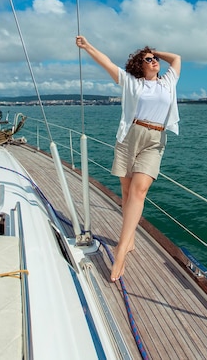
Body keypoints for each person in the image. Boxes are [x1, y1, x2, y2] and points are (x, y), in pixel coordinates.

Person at [75, 35, 181, 282]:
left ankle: (121, 250)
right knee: (126, 191)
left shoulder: (168, 82)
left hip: (155, 140)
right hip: (129, 137)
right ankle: (130, 238)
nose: (155, 61)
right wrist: (88, 46)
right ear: (139, 65)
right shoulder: (132, 83)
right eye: (149, 59)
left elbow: (176, 58)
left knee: (139, 191)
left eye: (155, 59)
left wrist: (153, 50)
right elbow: (108, 63)